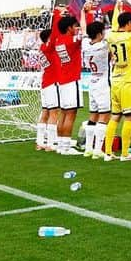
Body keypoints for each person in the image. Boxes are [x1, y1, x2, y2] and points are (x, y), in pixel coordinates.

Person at [103, 2, 131, 162]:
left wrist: (118, 9)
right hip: (128, 81)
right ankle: (125, 153)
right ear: (128, 24)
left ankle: (107, 152)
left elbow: (115, 25)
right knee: (129, 117)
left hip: (115, 80)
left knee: (114, 117)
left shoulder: (111, 36)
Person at [47, 11, 84, 156]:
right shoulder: (71, 40)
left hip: (62, 82)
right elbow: (85, 33)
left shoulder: (58, 41)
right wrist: (83, 13)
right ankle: (66, 147)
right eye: (74, 26)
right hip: (71, 80)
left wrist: (58, 15)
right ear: (69, 28)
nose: (77, 28)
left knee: (63, 113)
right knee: (71, 114)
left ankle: (62, 145)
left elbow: (56, 28)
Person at [80, 14, 110, 158]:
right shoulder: (103, 46)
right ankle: (98, 149)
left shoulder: (86, 44)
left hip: (91, 81)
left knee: (93, 115)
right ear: (99, 34)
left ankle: (88, 149)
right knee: (104, 115)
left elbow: (84, 28)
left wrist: (83, 14)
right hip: (103, 82)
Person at [36, 27, 59, 151]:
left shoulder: (42, 48)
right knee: (53, 112)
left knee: (45, 112)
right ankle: (50, 143)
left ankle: (40, 142)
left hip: (45, 83)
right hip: (51, 83)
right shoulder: (49, 49)